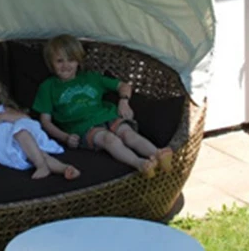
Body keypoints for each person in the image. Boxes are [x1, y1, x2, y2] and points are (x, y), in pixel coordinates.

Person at [33, 34, 173, 178]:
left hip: (108, 116)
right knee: (109, 139)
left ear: (78, 60)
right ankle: (140, 163)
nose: (66, 65)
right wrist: (65, 137)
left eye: (71, 59)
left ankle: (158, 154)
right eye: (59, 61)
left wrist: (124, 101)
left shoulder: (91, 78)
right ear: (51, 63)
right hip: (83, 128)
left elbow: (124, 86)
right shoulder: (48, 87)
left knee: (128, 134)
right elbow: (45, 121)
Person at [0, 71, 81, 180]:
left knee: (24, 135)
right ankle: (48, 166)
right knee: (38, 155)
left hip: (20, 137)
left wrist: (3, 117)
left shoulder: (1, 110)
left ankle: (64, 168)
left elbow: (25, 118)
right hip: (5, 146)